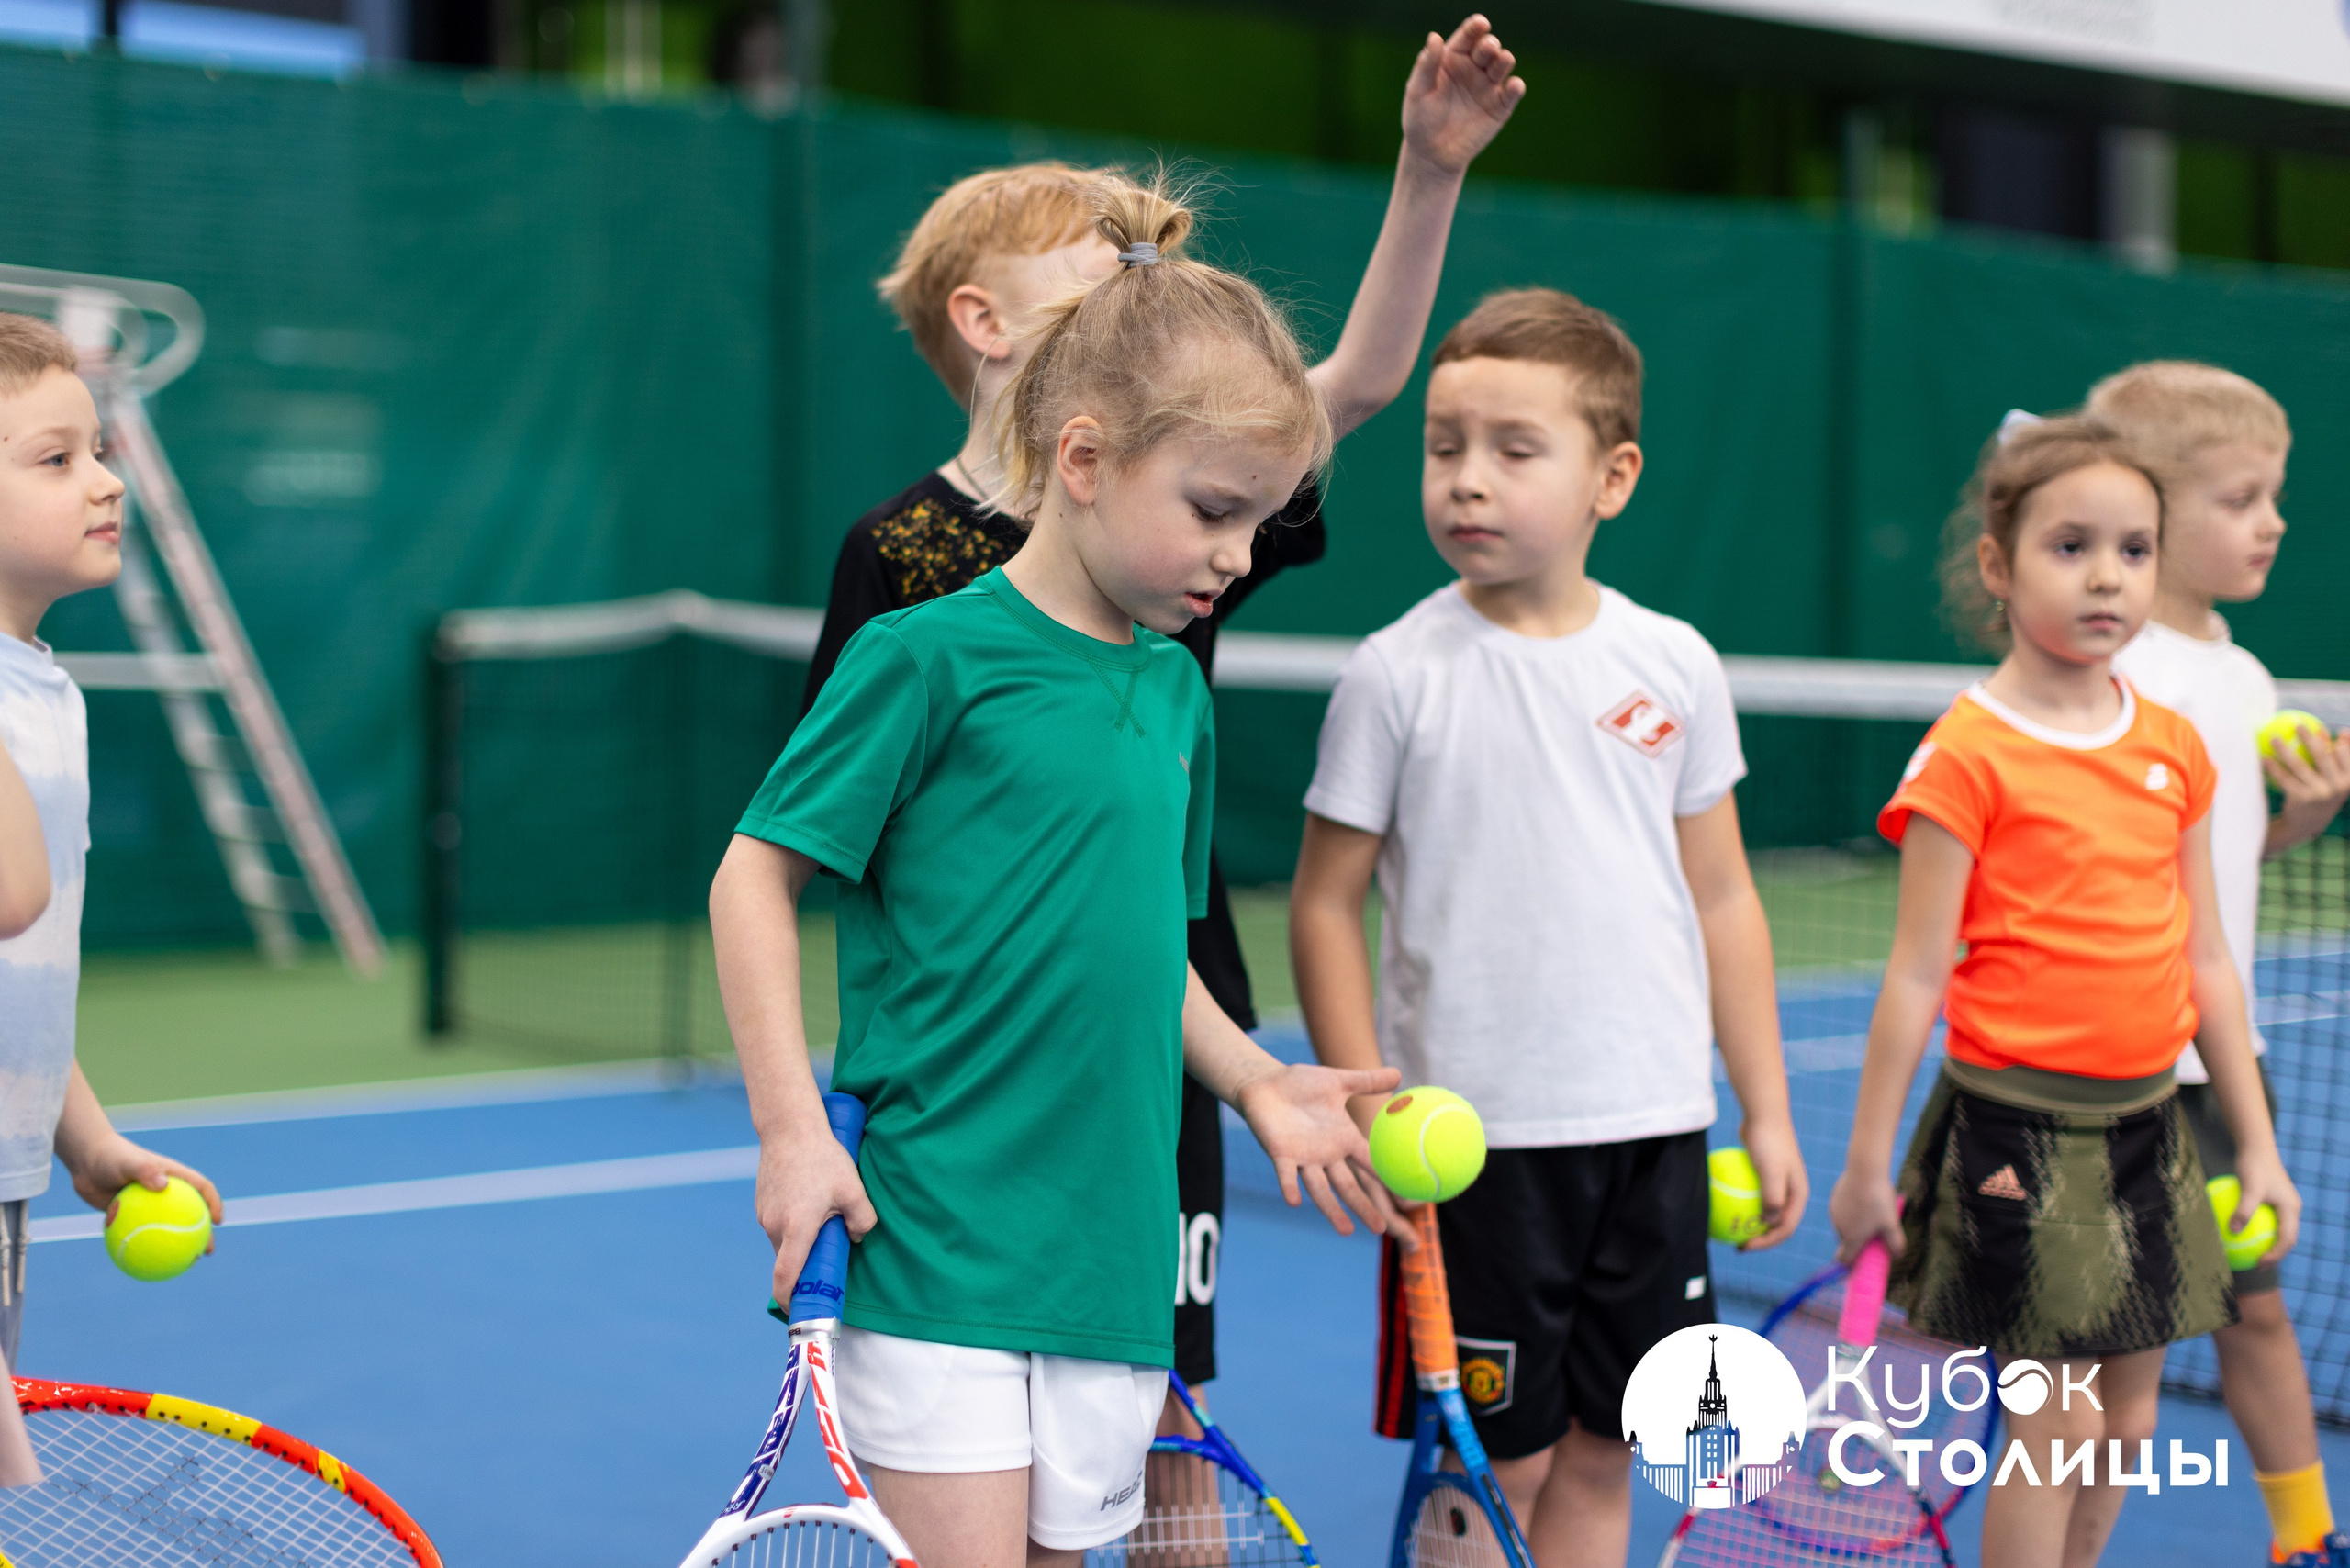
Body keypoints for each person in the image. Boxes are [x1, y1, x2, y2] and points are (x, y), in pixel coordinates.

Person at [799, 12, 1523, 1406]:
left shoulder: (1181, 518)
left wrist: (1428, 173)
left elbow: (1354, 386)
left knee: (1163, 1403)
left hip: (1171, 1009)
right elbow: (826, 836)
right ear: (985, 322)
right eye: (1103, 285)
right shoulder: (902, 565)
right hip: (982, 1050)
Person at [710, 181, 1412, 1568]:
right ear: (1083, 460)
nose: (1234, 557)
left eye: (1259, 526)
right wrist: (794, 1131)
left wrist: (1258, 1080)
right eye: (1214, 512)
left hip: (1112, 1264)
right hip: (939, 1241)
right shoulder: (921, 656)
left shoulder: (1178, 697)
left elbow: (1149, 946)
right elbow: (751, 881)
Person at [1289, 286, 1807, 1568]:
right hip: (1476, 1159)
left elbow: (1725, 896)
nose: (1468, 479)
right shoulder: (1394, 673)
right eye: (1444, 444)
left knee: (1611, 1443)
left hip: (1655, 1135)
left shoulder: (1675, 662)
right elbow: (1322, 900)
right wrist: (1365, 1105)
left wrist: (1770, 1108)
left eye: (1515, 450)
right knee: (1491, 1460)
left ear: (1610, 478)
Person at [1830, 413, 2298, 1568]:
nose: (2107, 577)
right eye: (2071, 546)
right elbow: (1913, 975)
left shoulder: (2177, 746)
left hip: (2154, 1129)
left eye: (2134, 550)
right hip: (2013, 1131)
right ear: (1999, 566)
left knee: (2125, 1423)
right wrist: (1865, 1163)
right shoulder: (1966, 756)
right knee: (2054, 1422)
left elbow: (2205, 966)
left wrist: (2260, 1144)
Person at [2095, 362, 2350, 1568]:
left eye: (2276, 496)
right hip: (2122, 1070)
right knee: (2102, 1362)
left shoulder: (2241, 676)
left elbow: (2222, 858)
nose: (2274, 521)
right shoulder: (2109, 672)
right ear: (2150, 507)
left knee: (2257, 1307)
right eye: (2243, 498)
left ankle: (2305, 1541)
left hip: (2225, 1064)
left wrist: (2300, 813)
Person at [0, 314, 225, 1392]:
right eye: (56, 460)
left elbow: (19, 961)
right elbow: (11, 892)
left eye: (98, 450)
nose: (105, 482)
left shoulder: (50, 696)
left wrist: (82, 1137)